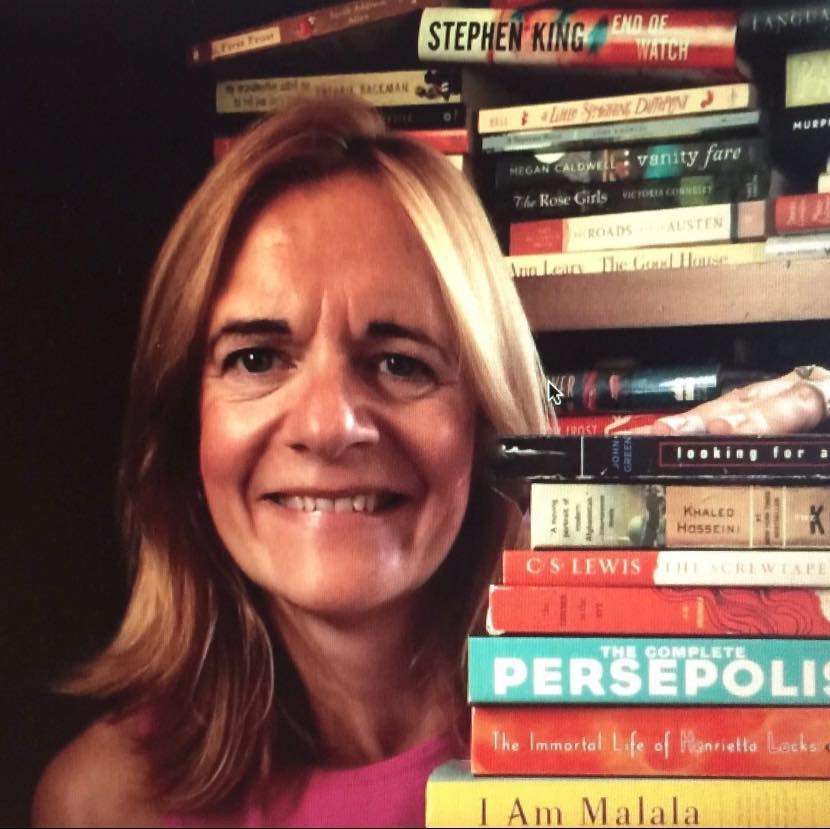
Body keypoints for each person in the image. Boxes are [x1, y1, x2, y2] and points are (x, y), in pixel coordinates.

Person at [32, 96, 830, 828]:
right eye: (256, 358)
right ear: (186, 425)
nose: (329, 426)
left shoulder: (681, 732)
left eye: (401, 362)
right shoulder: (96, 804)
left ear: (486, 419)